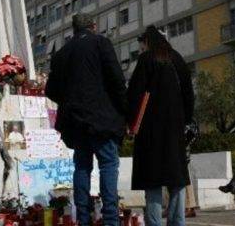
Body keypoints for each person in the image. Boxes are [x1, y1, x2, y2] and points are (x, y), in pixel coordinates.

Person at [46, 13, 127, 226]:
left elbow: (51, 89)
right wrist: (124, 111)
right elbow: (117, 80)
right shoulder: (101, 43)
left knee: (82, 167)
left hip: (74, 122)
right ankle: (110, 219)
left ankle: (83, 218)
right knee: (108, 165)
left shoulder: (62, 53)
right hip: (102, 118)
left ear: (73, 30)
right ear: (93, 25)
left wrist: (69, 101)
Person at [127, 26, 194, 226]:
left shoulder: (146, 60)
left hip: (150, 129)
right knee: (177, 179)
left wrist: (130, 122)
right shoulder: (177, 59)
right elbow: (189, 93)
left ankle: (154, 222)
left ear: (147, 42)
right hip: (175, 127)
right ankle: (177, 222)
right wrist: (186, 120)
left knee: (153, 179)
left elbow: (134, 94)